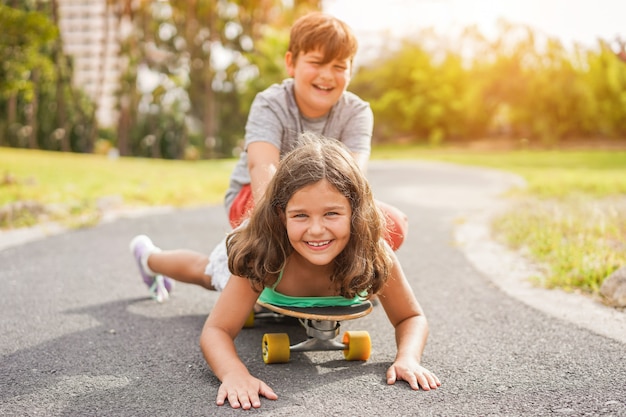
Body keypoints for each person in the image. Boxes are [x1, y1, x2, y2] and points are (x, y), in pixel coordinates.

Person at [129, 136, 440, 409]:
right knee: (207, 274)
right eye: (300, 215)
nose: (317, 230)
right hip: (261, 255)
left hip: (294, 285)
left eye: (332, 213)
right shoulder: (262, 256)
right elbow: (216, 331)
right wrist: (234, 373)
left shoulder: (373, 253)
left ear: (355, 212)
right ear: (281, 215)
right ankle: (150, 258)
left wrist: (407, 358)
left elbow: (410, 317)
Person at [225, 11, 408, 251]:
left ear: (350, 71)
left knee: (394, 224)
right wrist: (275, 221)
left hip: (326, 203)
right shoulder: (270, 103)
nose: (327, 75)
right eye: (316, 63)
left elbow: (353, 180)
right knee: (281, 227)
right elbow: (262, 167)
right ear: (291, 63)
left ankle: (328, 272)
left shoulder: (357, 112)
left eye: (339, 66)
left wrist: (340, 223)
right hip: (261, 196)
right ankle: (278, 255)